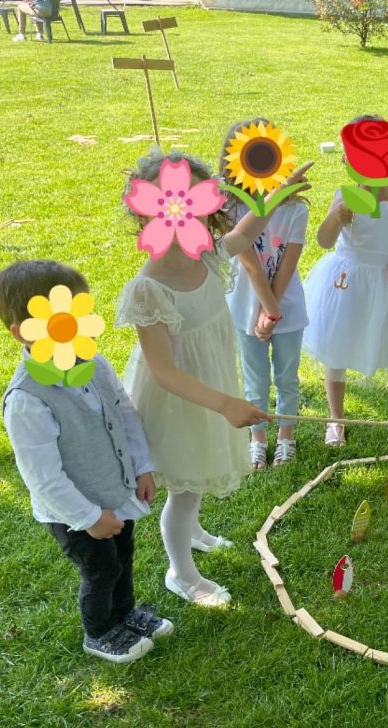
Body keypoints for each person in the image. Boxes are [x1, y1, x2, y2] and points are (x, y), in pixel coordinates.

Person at [116, 148, 311, 606]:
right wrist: (225, 403)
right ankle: (181, 573)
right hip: (179, 401)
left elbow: (244, 234)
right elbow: (164, 372)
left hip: (209, 384)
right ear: (146, 216)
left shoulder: (204, 254)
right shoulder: (148, 288)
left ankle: (194, 532)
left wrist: (275, 197)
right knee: (184, 487)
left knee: (198, 470)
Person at [0, 260, 172, 663]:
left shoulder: (93, 363)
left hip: (115, 490)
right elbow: (43, 478)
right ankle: (100, 631)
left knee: (123, 556)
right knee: (101, 569)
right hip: (73, 512)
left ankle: (124, 615)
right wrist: (90, 517)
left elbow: (124, 414)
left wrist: (142, 467)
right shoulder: (26, 400)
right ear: (24, 331)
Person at [301, 115, 388, 447]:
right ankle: (336, 418)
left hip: (387, 285)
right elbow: (324, 240)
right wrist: (336, 217)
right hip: (346, 284)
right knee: (336, 346)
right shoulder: (344, 198)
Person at [220, 118, 310, 470]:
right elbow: (251, 266)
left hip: (287, 308)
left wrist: (273, 312)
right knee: (255, 379)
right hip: (245, 308)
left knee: (287, 377)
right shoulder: (230, 209)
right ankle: (257, 438)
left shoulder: (296, 210)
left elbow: (286, 266)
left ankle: (286, 436)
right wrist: (266, 312)